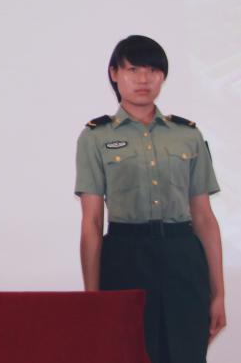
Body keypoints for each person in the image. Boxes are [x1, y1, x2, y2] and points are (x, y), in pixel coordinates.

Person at [76, 34, 226, 363]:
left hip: (182, 258)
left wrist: (219, 294)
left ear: (163, 76)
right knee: (129, 353)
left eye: (153, 70)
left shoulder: (188, 135)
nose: (143, 79)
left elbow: (204, 217)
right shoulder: (95, 137)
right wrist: (92, 298)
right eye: (133, 70)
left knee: (186, 354)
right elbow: (92, 221)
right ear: (114, 73)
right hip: (125, 257)